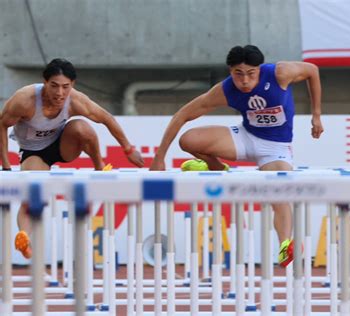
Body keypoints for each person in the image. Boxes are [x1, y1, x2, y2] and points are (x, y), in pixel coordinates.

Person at [150, 45, 323, 267]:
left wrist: (316, 114)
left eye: (251, 74)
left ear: (260, 69)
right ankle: (216, 166)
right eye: (237, 74)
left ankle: (284, 245)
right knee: (189, 140)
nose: (244, 81)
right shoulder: (225, 90)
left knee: (277, 191)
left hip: (276, 148)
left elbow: (312, 70)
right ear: (230, 71)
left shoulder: (280, 73)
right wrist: (159, 156)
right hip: (244, 137)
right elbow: (182, 114)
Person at [0, 58, 144, 258]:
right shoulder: (25, 100)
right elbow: (2, 124)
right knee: (32, 196)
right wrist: (6, 166)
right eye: (54, 86)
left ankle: (99, 168)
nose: (59, 93)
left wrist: (128, 150)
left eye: (65, 87)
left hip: (62, 145)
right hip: (33, 152)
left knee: (82, 127)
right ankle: (24, 236)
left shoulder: (75, 100)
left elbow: (106, 119)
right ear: (45, 82)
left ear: (72, 85)